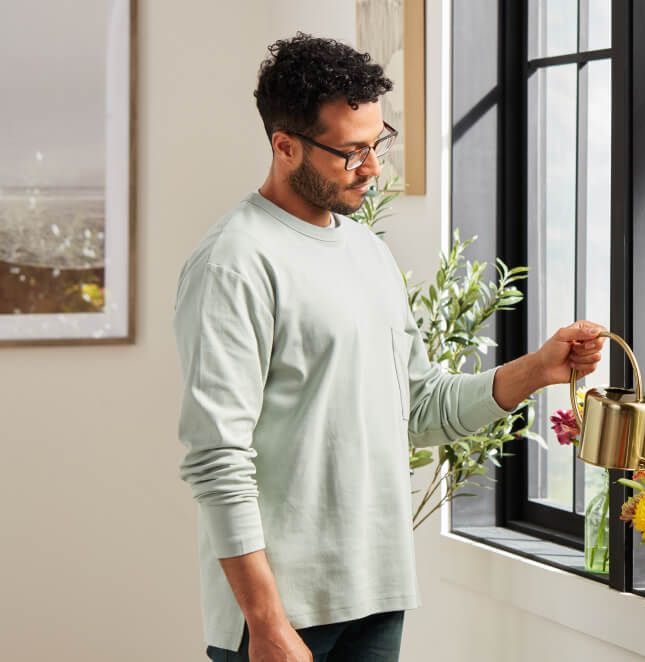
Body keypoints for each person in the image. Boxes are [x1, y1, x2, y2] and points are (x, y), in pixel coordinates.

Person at [172, 33, 606, 662]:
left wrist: (538, 370)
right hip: (281, 616)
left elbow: (421, 406)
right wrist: (265, 621)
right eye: (350, 152)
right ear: (285, 145)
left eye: (378, 143)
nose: (372, 167)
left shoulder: (366, 252)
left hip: (376, 594)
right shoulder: (234, 263)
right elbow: (216, 457)